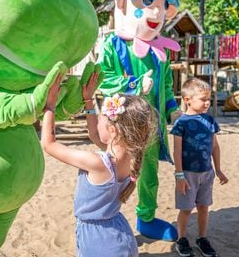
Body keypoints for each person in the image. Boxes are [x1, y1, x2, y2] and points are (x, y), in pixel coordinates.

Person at [98, 0, 195, 241]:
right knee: (115, 169)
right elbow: (104, 80)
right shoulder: (113, 45)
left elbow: (166, 86)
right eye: (146, 3)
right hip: (121, 123)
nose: (155, 13)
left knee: (149, 173)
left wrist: (172, 109)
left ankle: (146, 218)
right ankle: (105, 218)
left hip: (152, 127)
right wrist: (134, 85)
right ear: (123, 1)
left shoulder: (162, 52)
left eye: (161, 5)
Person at [40, 72, 156, 257]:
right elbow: (94, 134)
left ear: (112, 130)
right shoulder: (130, 155)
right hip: (118, 234)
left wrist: (50, 105)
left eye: (101, 118)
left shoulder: (98, 163)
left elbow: (48, 144)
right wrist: (88, 101)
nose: (97, 123)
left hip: (99, 241)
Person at [170, 78, 229, 257]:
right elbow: (177, 151)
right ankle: (181, 239)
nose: (207, 102)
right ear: (187, 100)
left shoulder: (210, 121)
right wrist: (179, 176)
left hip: (207, 173)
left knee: (204, 207)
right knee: (186, 209)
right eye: (203, 99)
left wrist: (218, 170)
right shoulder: (181, 123)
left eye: (208, 99)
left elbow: (215, 147)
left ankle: (202, 238)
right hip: (187, 174)